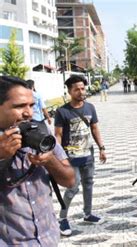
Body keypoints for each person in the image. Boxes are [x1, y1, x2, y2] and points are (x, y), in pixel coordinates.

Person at [0, 76, 75, 245]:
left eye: (32, 105)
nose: (28, 112)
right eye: (19, 106)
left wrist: (50, 161)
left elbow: (70, 180)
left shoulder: (41, 129)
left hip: (48, 239)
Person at [54, 75, 107, 236]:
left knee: (89, 184)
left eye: (82, 88)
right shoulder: (62, 111)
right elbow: (58, 135)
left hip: (88, 155)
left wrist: (102, 148)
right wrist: (57, 157)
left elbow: (95, 129)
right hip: (70, 157)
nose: (80, 91)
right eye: (76, 89)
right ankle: (62, 218)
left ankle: (88, 214)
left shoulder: (90, 107)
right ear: (69, 91)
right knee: (73, 188)